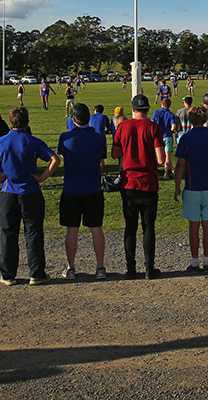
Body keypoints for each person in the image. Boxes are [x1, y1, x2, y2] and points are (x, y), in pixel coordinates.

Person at [0, 106, 60, 286]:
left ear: (10, 122)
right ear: (27, 122)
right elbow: (55, 159)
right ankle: (36, 272)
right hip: (30, 191)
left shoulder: (2, 141)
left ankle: (8, 274)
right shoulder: (33, 141)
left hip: (9, 191)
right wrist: (42, 177)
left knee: (8, 233)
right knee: (33, 233)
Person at [112, 94, 166, 280]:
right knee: (148, 227)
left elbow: (114, 153)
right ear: (147, 109)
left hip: (129, 183)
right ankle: (149, 268)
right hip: (148, 183)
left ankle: (131, 269)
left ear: (133, 109)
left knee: (130, 227)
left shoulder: (123, 126)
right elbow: (161, 159)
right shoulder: (153, 127)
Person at [57, 103, 107, 281]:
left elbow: (63, 155)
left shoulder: (65, 137)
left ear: (73, 120)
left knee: (72, 229)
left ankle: (71, 267)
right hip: (93, 188)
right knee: (96, 228)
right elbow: (101, 159)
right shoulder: (98, 138)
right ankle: (100, 267)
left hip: (71, 188)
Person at [174, 105, 208, 273]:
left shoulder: (186, 139)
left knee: (193, 226)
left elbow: (180, 165)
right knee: (207, 225)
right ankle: (207, 261)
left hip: (192, 186)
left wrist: (177, 186)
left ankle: (195, 262)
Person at [151, 98, 177, 180]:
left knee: (158, 156)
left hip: (158, 137)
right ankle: (170, 172)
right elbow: (173, 127)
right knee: (167, 156)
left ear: (162, 104)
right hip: (168, 136)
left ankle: (167, 173)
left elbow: (152, 122)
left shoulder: (157, 113)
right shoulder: (171, 115)